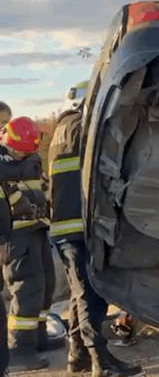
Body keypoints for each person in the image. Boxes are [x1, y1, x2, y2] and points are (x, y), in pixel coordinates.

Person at [49, 94, 142, 376]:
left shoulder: (61, 132)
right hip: (80, 226)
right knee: (91, 295)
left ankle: (77, 356)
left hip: (68, 227)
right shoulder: (80, 128)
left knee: (81, 295)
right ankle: (100, 361)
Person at [1, 116, 56, 372]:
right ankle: (20, 350)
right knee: (26, 292)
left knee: (45, 287)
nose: (22, 156)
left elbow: (42, 187)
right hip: (15, 239)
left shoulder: (32, 159)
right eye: (18, 151)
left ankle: (38, 339)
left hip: (37, 231)